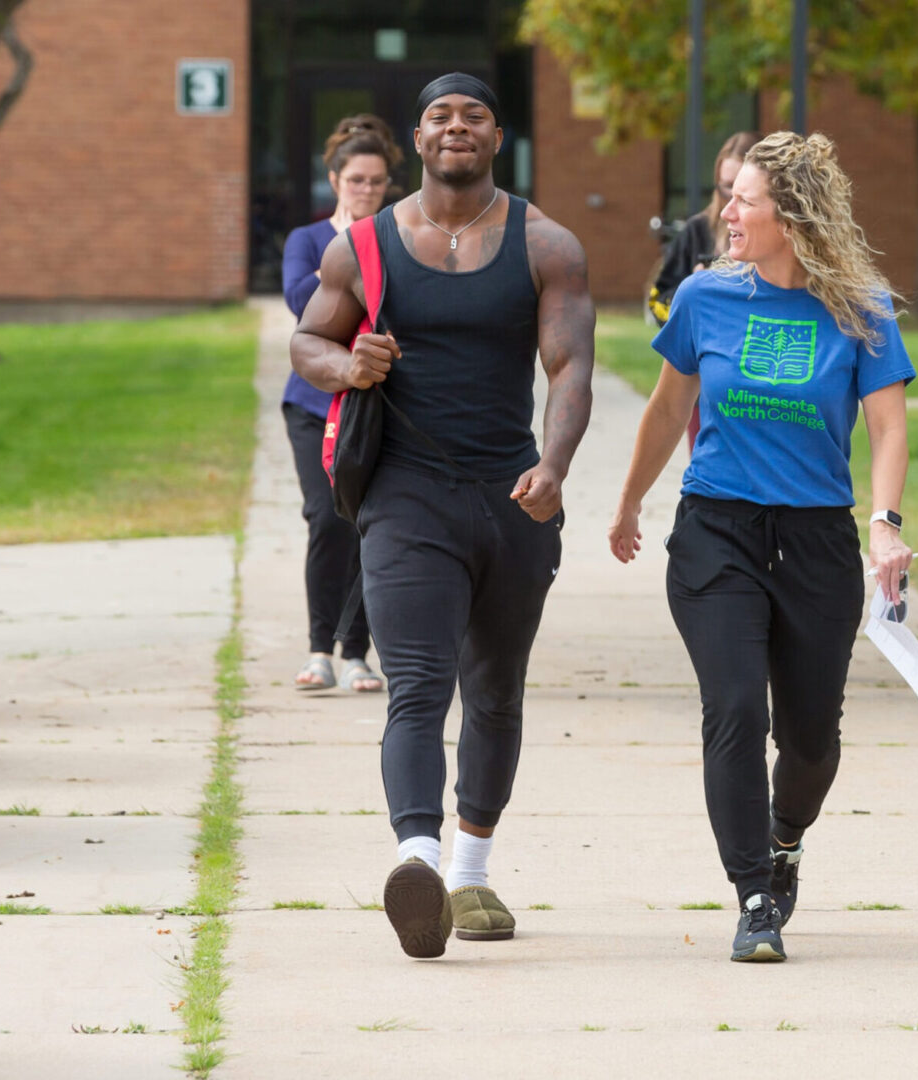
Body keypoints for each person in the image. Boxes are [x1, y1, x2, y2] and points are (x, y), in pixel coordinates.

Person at [290, 73, 595, 960]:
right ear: (414, 142)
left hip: (511, 497)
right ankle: (417, 861)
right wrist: (350, 367)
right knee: (419, 685)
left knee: (495, 691)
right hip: (405, 495)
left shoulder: (547, 243)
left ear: (498, 136)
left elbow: (570, 367)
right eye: (438, 117)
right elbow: (309, 340)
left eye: (472, 117)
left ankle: (470, 872)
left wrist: (554, 465)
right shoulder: (367, 248)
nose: (454, 128)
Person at [607, 131, 915, 963]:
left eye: (744, 199)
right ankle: (753, 894)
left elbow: (888, 428)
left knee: (811, 739)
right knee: (735, 709)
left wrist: (885, 523)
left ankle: (785, 839)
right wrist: (631, 500)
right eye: (728, 196)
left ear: (794, 214)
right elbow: (669, 411)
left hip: (816, 540)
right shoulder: (706, 296)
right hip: (717, 532)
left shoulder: (860, 308)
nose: (726, 211)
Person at [281, 114, 404, 694]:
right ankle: (317, 649)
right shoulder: (308, 241)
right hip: (312, 404)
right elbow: (302, 299)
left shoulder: (395, 238)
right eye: (357, 180)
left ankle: (356, 652)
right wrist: (350, 258)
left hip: (373, 405)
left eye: (377, 182)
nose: (367, 191)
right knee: (325, 519)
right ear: (334, 179)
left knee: (364, 523)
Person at [650, 131, 760, 449]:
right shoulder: (698, 230)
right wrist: (691, 295)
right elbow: (658, 297)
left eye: (741, 188)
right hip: (703, 378)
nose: (730, 198)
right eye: (725, 186)